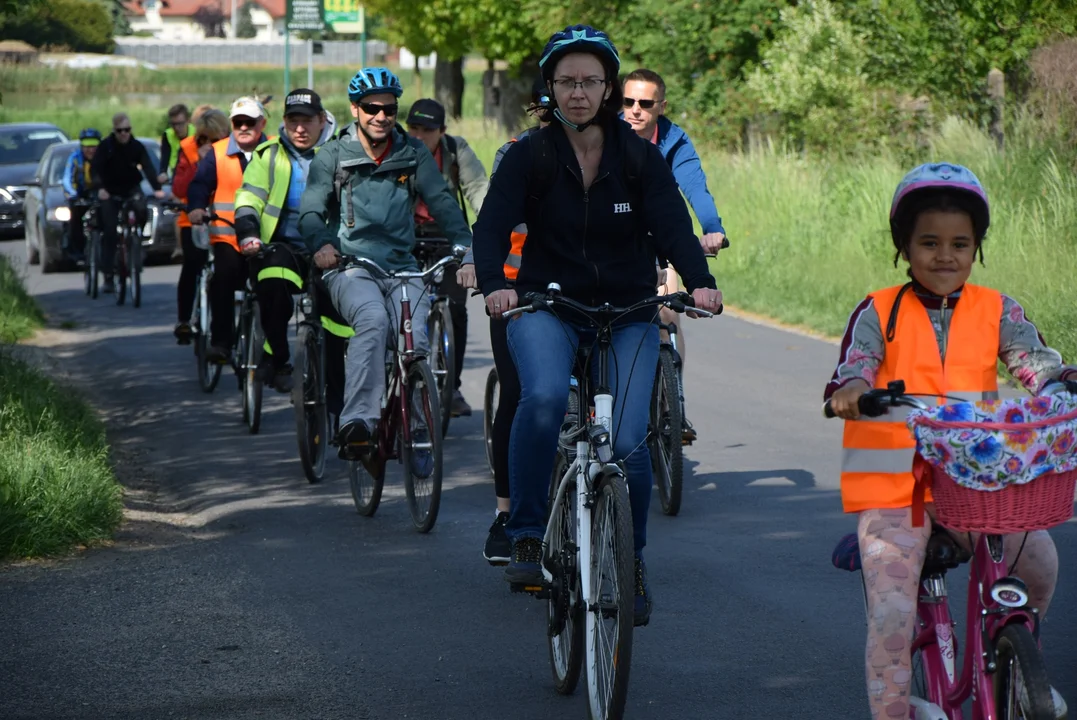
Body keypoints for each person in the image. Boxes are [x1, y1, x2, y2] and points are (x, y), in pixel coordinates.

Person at [471, 25, 723, 626]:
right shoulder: (531, 154)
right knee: (543, 399)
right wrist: (496, 284)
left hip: (628, 309)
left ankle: (630, 562)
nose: (578, 93)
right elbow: (491, 225)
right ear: (550, 88)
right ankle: (528, 533)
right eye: (566, 82)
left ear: (608, 87)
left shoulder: (639, 157)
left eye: (589, 81)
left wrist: (699, 280)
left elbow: (671, 225)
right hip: (546, 305)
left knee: (631, 445)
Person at [825, 162, 1071, 720]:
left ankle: (1014, 660)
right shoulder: (878, 311)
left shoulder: (997, 310)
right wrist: (854, 388)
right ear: (903, 247)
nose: (945, 255)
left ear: (977, 247)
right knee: (890, 614)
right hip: (894, 487)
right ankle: (893, 712)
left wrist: (1062, 379)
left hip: (974, 483)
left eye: (961, 243)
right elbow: (854, 368)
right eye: (929, 242)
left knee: (1039, 559)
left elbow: (1038, 364)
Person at [298, 67, 472, 461]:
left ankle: (417, 428)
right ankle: (357, 424)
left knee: (417, 342)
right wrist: (322, 244)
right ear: (355, 109)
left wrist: (467, 246)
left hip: (403, 267)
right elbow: (310, 210)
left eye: (389, 109)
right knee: (374, 320)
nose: (381, 116)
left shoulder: (412, 152)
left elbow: (442, 202)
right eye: (372, 108)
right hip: (350, 265)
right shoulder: (334, 154)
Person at [463, 78, 551, 565]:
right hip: (516, 291)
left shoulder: (605, 150)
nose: (549, 114)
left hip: (580, 294)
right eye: (543, 106)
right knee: (518, 395)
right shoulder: (514, 153)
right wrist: (488, 271)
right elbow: (496, 220)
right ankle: (505, 513)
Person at [622, 67, 727, 441]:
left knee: (669, 313)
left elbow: (695, 186)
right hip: (615, 239)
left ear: (661, 107)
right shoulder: (606, 135)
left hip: (661, 239)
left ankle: (671, 407)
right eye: (628, 101)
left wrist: (712, 228)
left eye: (645, 103)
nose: (635, 110)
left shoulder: (674, 142)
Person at [233, 88, 336, 393]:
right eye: (293, 122)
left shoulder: (340, 153)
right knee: (272, 282)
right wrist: (249, 232)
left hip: (330, 248)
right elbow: (249, 196)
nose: (300, 129)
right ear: (284, 123)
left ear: (321, 120)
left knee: (340, 305)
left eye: (307, 121)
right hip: (283, 247)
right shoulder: (269, 155)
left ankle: (337, 384)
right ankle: (278, 359)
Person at [405, 98, 489, 418]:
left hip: (446, 236)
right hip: (406, 237)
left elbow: (478, 189)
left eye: (428, 130)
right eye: (413, 128)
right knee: (404, 305)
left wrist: (491, 226)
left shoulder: (456, 150)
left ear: (442, 131)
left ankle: (451, 387)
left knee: (455, 307)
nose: (419, 135)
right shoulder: (400, 149)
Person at [187, 97, 270, 363]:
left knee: (272, 286)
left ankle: (272, 354)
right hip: (227, 234)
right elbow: (200, 184)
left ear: (262, 123)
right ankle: (221, 343)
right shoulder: (218, 151)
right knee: (224, 278)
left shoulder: (275, 151)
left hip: (265, 235)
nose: (243, 127)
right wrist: (197, 207)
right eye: (238, 122)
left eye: (250, 122)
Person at [171, 108, 231, 344]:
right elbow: (179, 189)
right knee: (192, 265)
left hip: (225, 220)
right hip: (194, 221)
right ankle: (184, 320)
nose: (208, 144)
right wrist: (199, 162)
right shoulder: (187, 149)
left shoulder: (233, 151)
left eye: (214, 140)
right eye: (203, 139)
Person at [90, 113, 165, 294]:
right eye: (120, 131)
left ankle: (137, 242)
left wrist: (156, 187)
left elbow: (147, 167)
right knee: (110, 230)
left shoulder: (136, 146)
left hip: (131, 188)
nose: (124, 134)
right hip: (110, 191)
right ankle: (108, 275)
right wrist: (100, 188)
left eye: (127, 130)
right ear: (114, 131)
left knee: (142, 209)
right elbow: (95, 169)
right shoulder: (105, 147)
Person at [61, 128, 102, 264]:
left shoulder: (105, 157)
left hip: (101, 192)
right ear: (81, 145)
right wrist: (73, 194)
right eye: (87, 145)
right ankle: (77, 250)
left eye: (94, 144)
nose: (90, 149)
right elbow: (66, 179)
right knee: (75, 219)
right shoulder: (75, 158)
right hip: (80, 193)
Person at [159, 103, 195, 184]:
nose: (176, 128)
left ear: (188, 121)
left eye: (180, 124)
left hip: (193, 175)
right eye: (173, 124)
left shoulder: (196, 134)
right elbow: (165, 156)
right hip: (175, 176)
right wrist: (162, 172)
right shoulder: (168, 134)